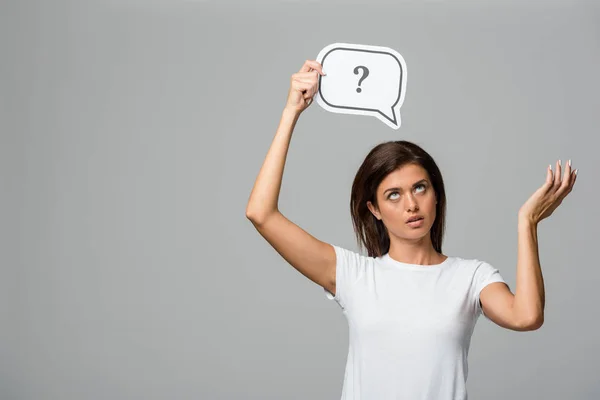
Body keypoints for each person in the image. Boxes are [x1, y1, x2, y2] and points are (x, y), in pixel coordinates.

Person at [245, 60, 578, 400]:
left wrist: (528, 223)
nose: (411, 205)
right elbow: (260, 213)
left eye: (420, 188)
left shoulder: (471, 277)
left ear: (436, 194)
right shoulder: (354, 275)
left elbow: (526, 316)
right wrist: (291, 112)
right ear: (373, 209)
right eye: (393, 195)